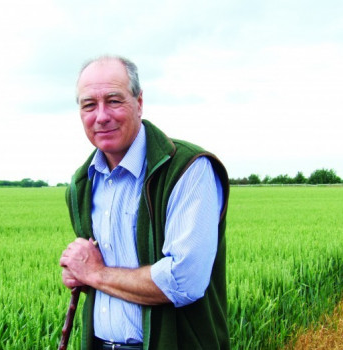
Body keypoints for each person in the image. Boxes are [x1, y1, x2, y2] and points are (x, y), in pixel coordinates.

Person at [60, 55, 230, 350]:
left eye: (114, 101)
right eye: (89, 105)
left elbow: (183, 280)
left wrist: (95, 273)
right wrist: (81, 273)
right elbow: (105, 277)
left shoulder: (188, 169)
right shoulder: (82, 184)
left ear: (139, 103)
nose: (101, 116)